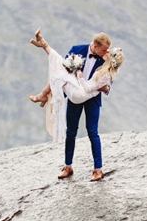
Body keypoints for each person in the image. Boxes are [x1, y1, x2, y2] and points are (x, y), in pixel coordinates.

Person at [30, 30, 123, 181]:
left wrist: (106, 88)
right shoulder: (77, 49)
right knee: (71, 131)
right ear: (95, 45)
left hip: (92, 98)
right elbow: (62, 70)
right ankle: (68, 166)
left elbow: (109, 79)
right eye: (104, 49)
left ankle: (98, 169)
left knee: (93, 132)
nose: (107, 52)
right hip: (75, 96)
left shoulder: (107, 58)